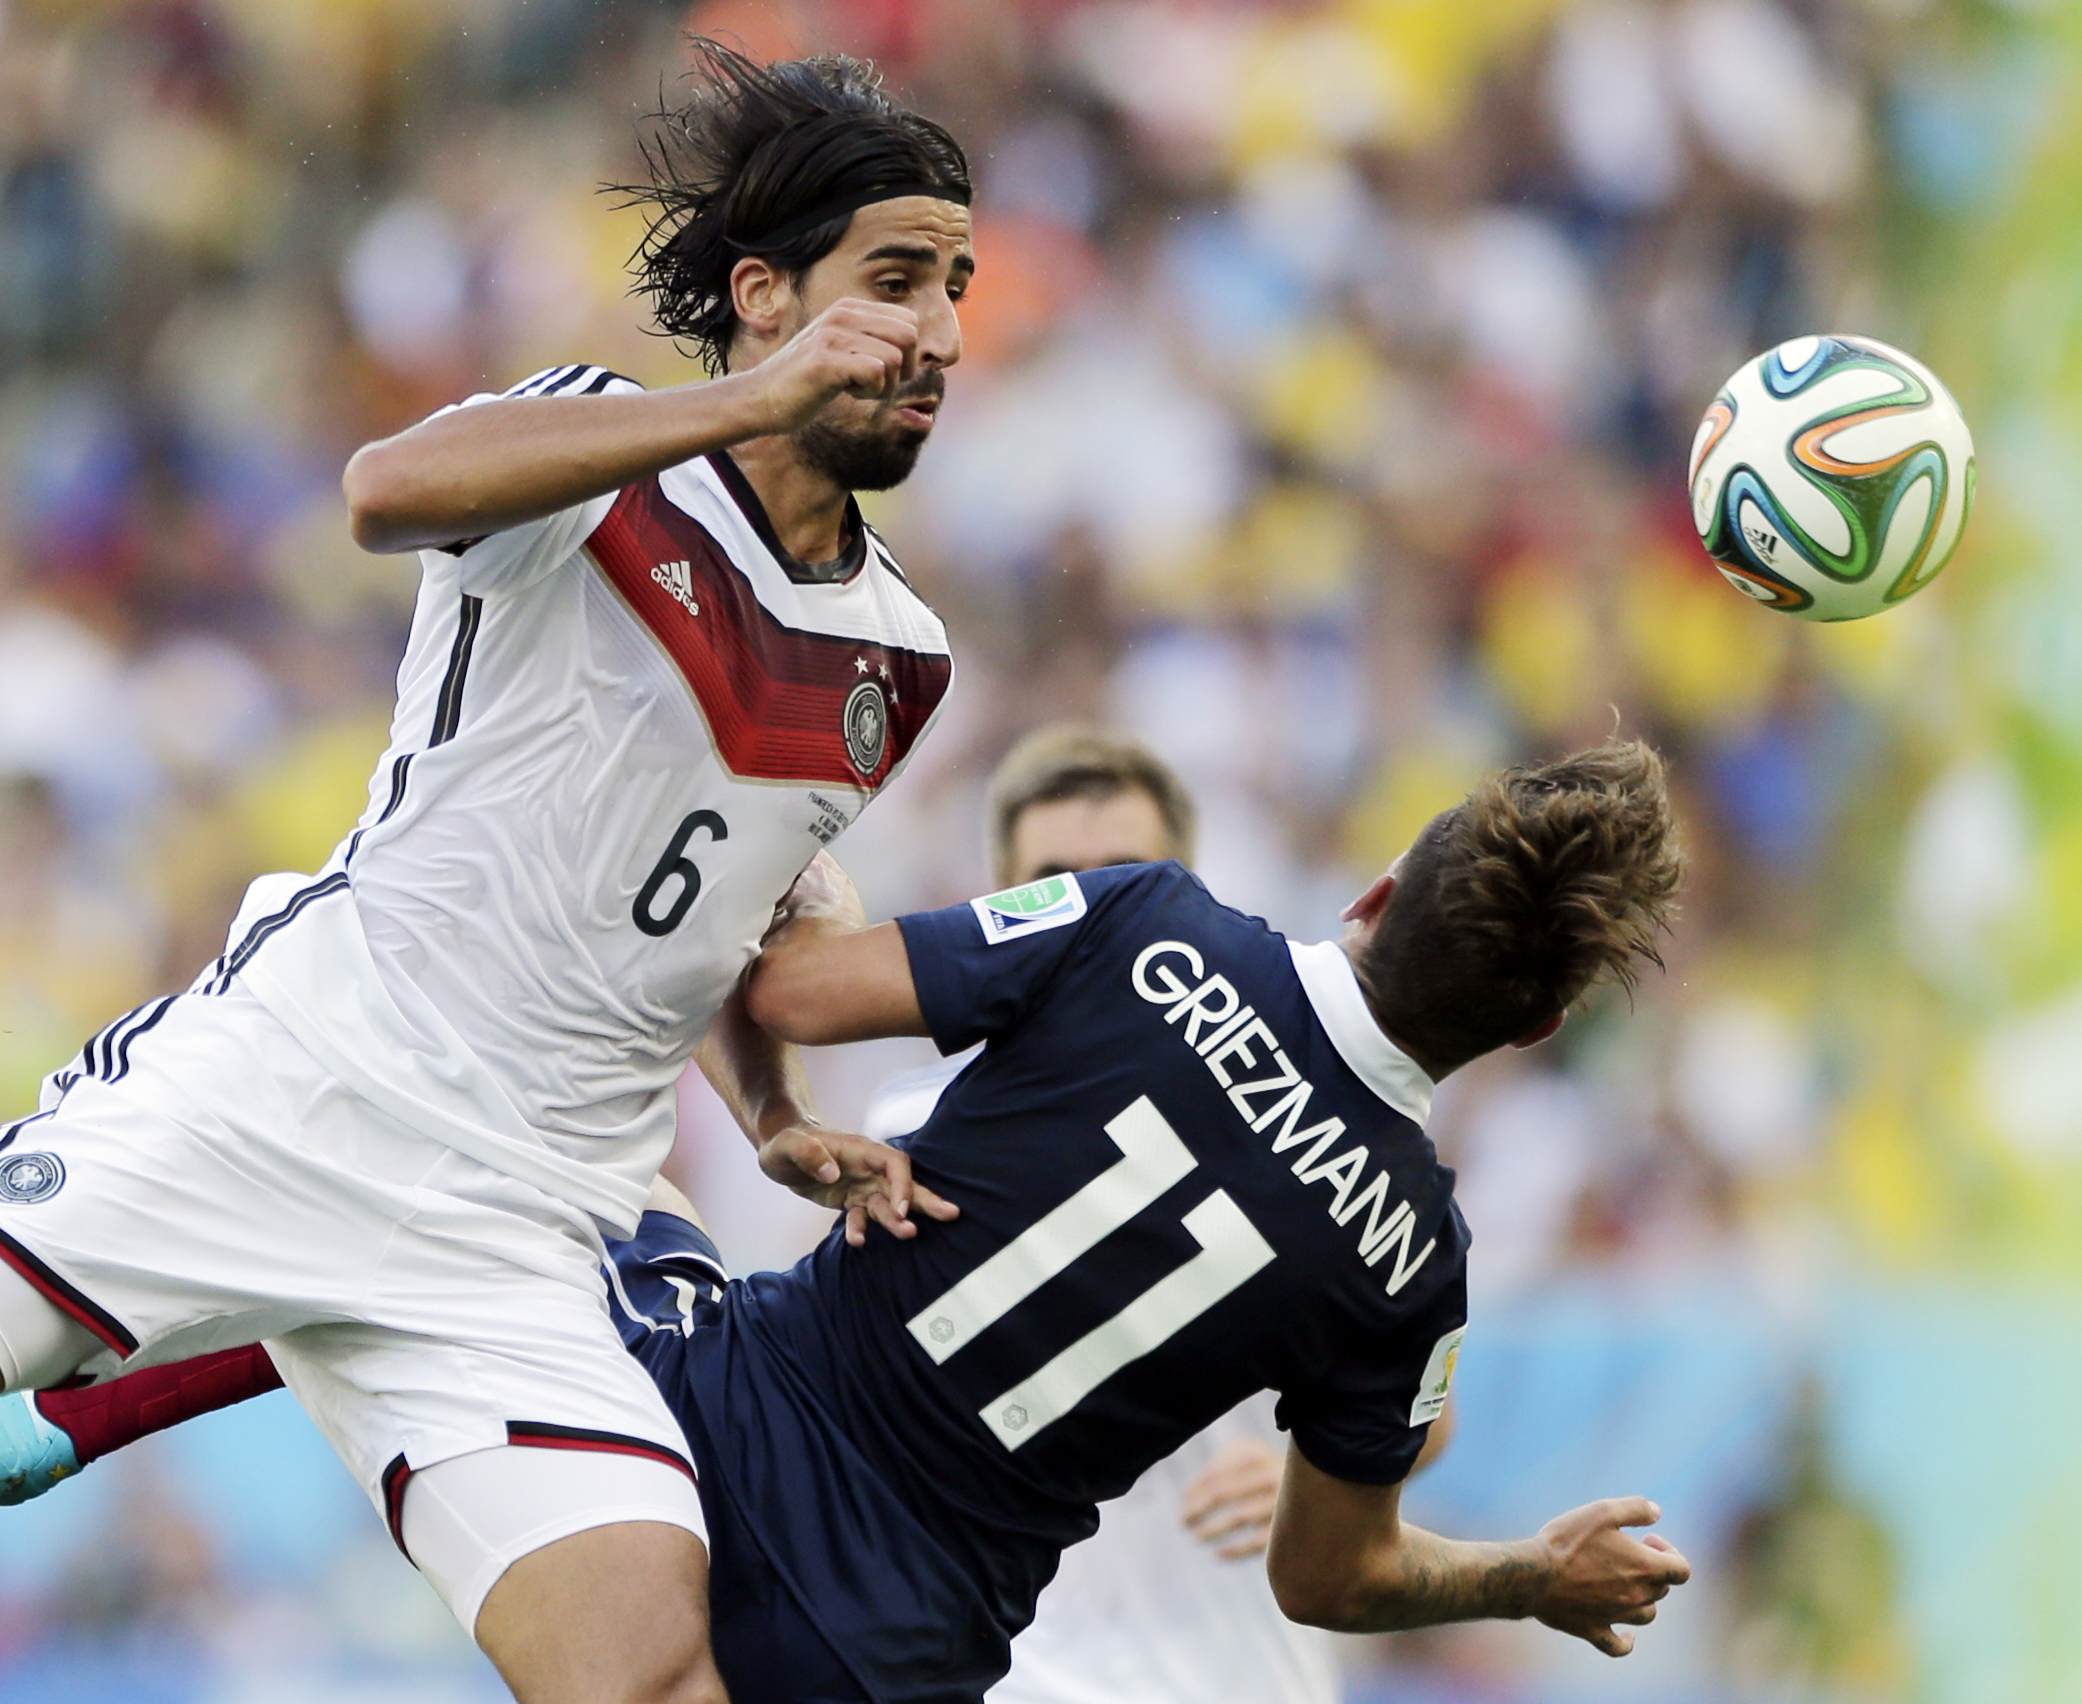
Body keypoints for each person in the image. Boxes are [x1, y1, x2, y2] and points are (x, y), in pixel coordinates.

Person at [4, 742, 1695, 1704]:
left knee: (484, 1183)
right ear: (1532, 1029)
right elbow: (1337, 1571)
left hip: (714, 1416)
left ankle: (76, 1392)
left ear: (1372, 891)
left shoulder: (1155, 926)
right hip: (892, 1636)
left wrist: (793, 830)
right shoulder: (1411, 1259)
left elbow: (797, 986)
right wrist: (1524, 1574)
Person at [0, 43, 975, 1704]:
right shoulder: (597, 444)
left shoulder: (901, 654)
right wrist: (752, 405)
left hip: (528, 1221)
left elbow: (737, 888)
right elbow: (383, 490)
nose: (939, 333)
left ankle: (204, 1354)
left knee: (644, 1665)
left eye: (955, 285)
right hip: (312, 1071)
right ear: (762, 294)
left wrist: (772, 1108)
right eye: (893, 281)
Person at [867, 724, 1359, 1704]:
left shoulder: (1304, 1127)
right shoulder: (911, 1136)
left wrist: (1319, 1475)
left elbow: (1422, 1408)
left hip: (1241, 1674)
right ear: (995, 907)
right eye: (1052, 880)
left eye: (1126, 877)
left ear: (1193, 896)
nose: (1087, 912)